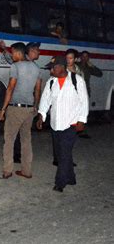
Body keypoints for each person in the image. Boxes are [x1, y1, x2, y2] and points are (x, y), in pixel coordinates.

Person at [36, 56, 89, 192]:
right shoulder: (51, 82)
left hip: (71, 123)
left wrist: (82, 120)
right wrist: (41, 115)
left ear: (60, 67)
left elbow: (84, 101)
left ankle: (60, 183)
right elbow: (45, 100)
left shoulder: (77, 81)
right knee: (61, 154)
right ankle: (71, 177)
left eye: (52, 68)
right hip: (55, 124)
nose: (50, 71)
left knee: (64, 153)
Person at [0, 42, 41, 179]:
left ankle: (7, 170)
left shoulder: (15, 66)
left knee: (9, 140)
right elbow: (38, 89)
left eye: (13, 52)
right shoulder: (36, 68)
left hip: (15, 108)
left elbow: (10, 88)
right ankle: (26, 171)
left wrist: (3, 109)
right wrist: (36, 106)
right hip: (29, 109)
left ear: (18, 52)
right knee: (26, 140)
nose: (13, 55)